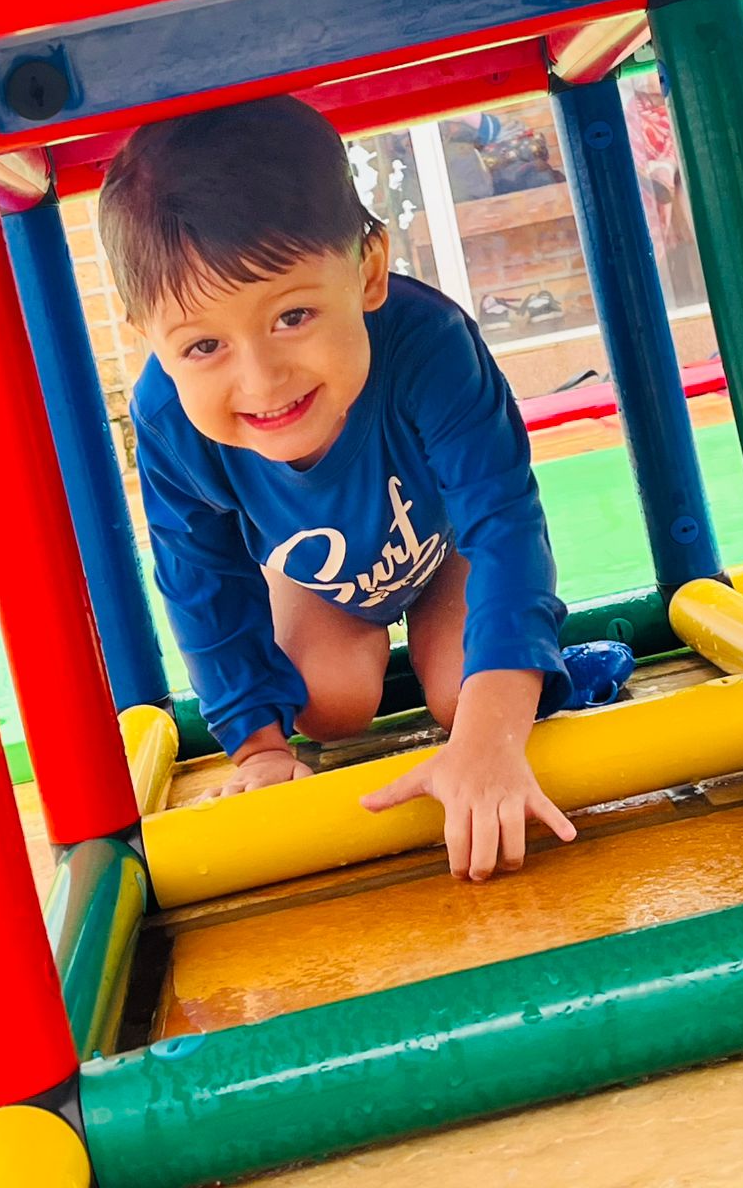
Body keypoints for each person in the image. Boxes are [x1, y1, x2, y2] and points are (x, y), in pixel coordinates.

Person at [99, 97, 578, 881]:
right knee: (325, 705)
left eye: (292, 316)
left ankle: (518, 670)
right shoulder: (165, 418)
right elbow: (202, 583)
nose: (261, 378)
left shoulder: (428, 345)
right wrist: (256, 746)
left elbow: (504, 526)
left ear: (369, 271)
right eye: (205, 345)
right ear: (146, 337)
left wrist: (490, 741)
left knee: (470, 695)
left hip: (446, 551)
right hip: (320, 584)